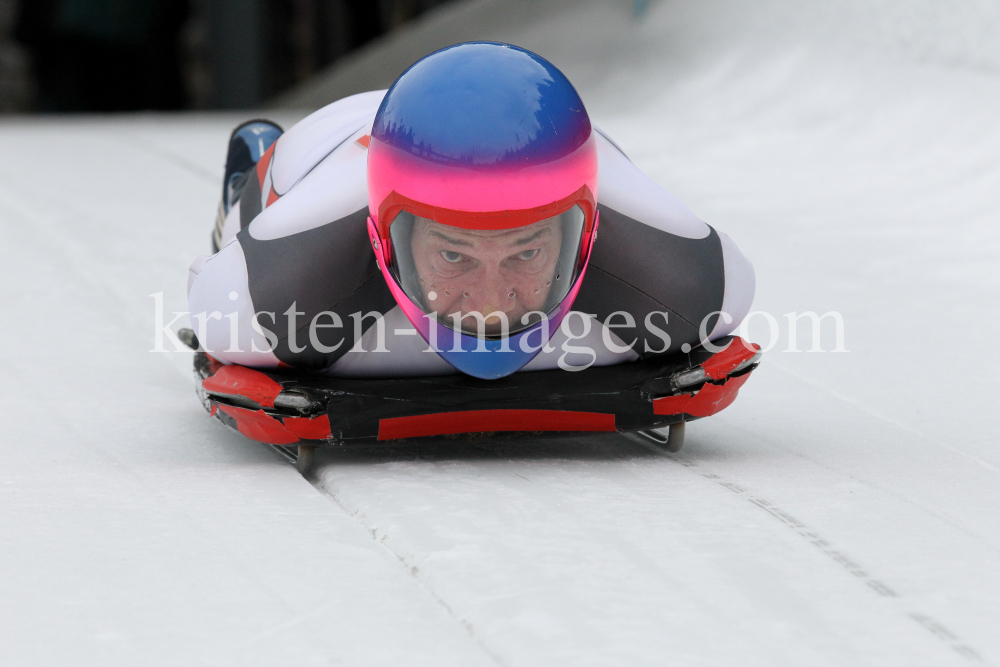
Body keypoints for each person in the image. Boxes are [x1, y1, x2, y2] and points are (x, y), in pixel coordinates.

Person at [187, 42, 755, 380]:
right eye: (455, 252)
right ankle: (254, 160)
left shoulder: (693, 285)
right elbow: (212, 296)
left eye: (526, 250)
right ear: (388, 236)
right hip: (329, 143)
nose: (489, 308)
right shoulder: (258, 306)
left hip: (574, 144)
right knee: (253, 210)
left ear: (583, 230)